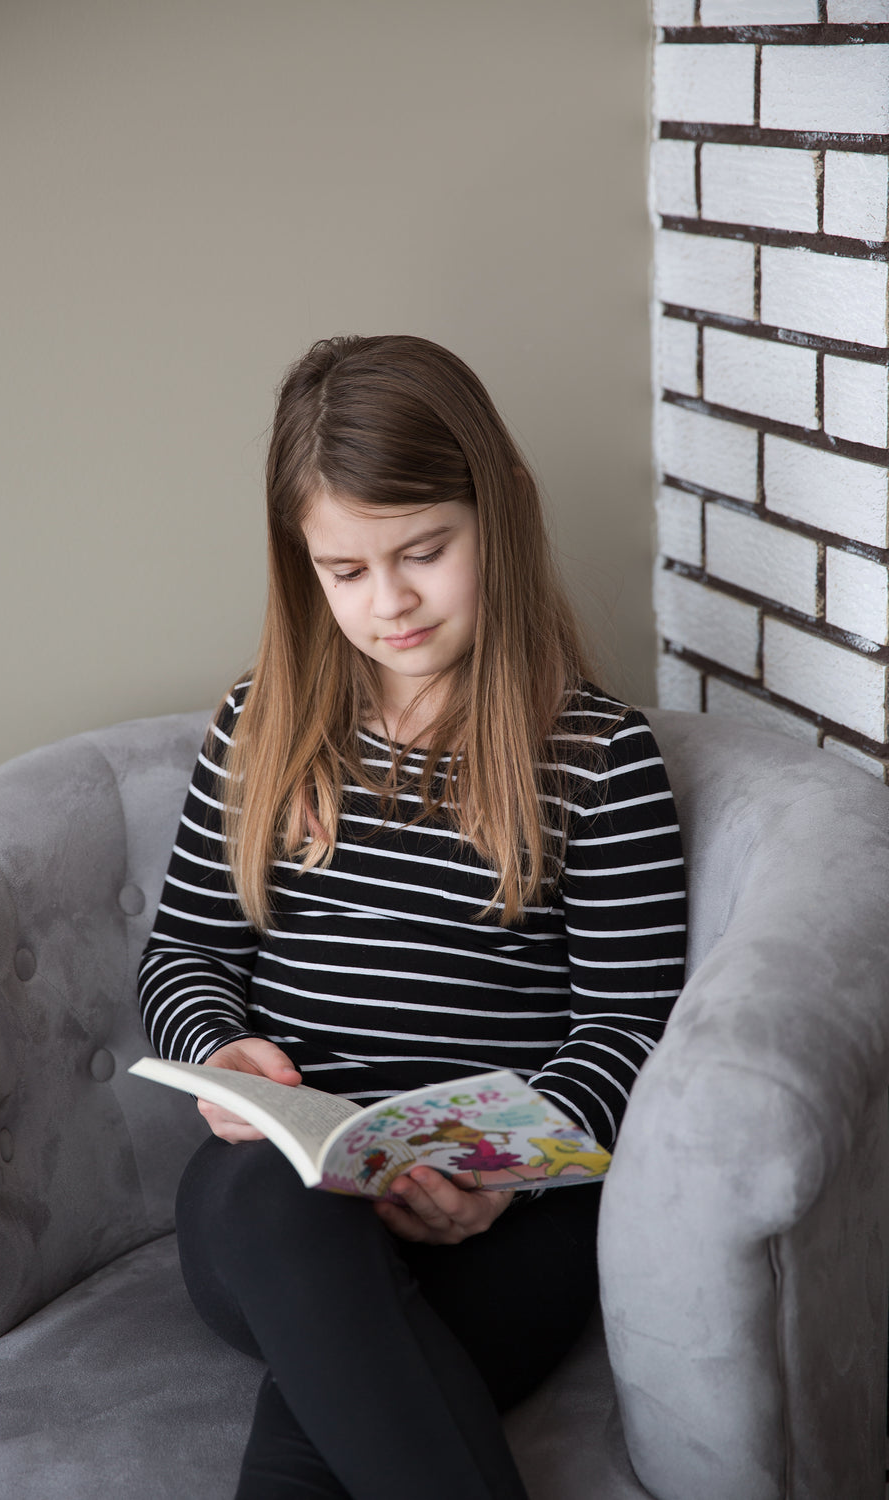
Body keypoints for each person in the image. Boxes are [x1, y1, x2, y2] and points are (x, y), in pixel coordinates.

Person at [138, 334, 687, 1499]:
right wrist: (218, 1050)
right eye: (344, 571)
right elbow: (186, 948)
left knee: (322, 1430)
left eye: (424, 553)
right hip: (283, 1212)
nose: (387, 603)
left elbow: (632, 1027)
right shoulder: (262, 726)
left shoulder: (597, 758)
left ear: (501, 514)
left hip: (501, 1220)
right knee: (271, 1204)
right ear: (303, 568)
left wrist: (496, 1172)